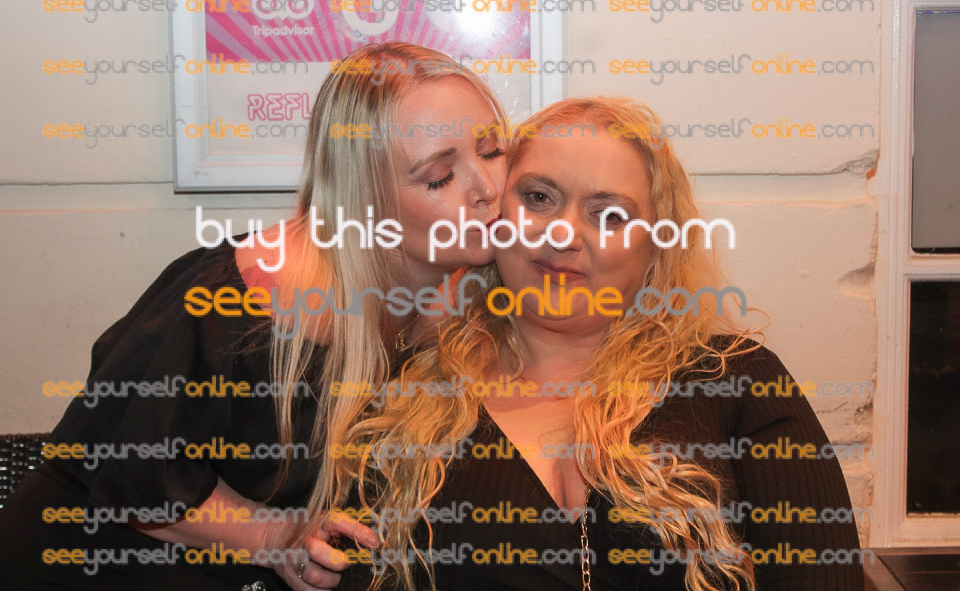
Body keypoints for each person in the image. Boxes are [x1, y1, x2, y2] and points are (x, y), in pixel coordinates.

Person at [0, 42, 509, 591]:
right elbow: (126, 470)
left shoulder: (477, 278)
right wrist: (272, 537)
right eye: (439, 177)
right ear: (363, 198)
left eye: (492, 150)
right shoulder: (237, 304)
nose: (488, 189)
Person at [333, 97, 866, 591]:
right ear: (496, 216)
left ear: (657, 246)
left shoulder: (737, 383)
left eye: (609, 215)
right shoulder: (407, 395)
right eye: (539, 198)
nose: (563, 234)